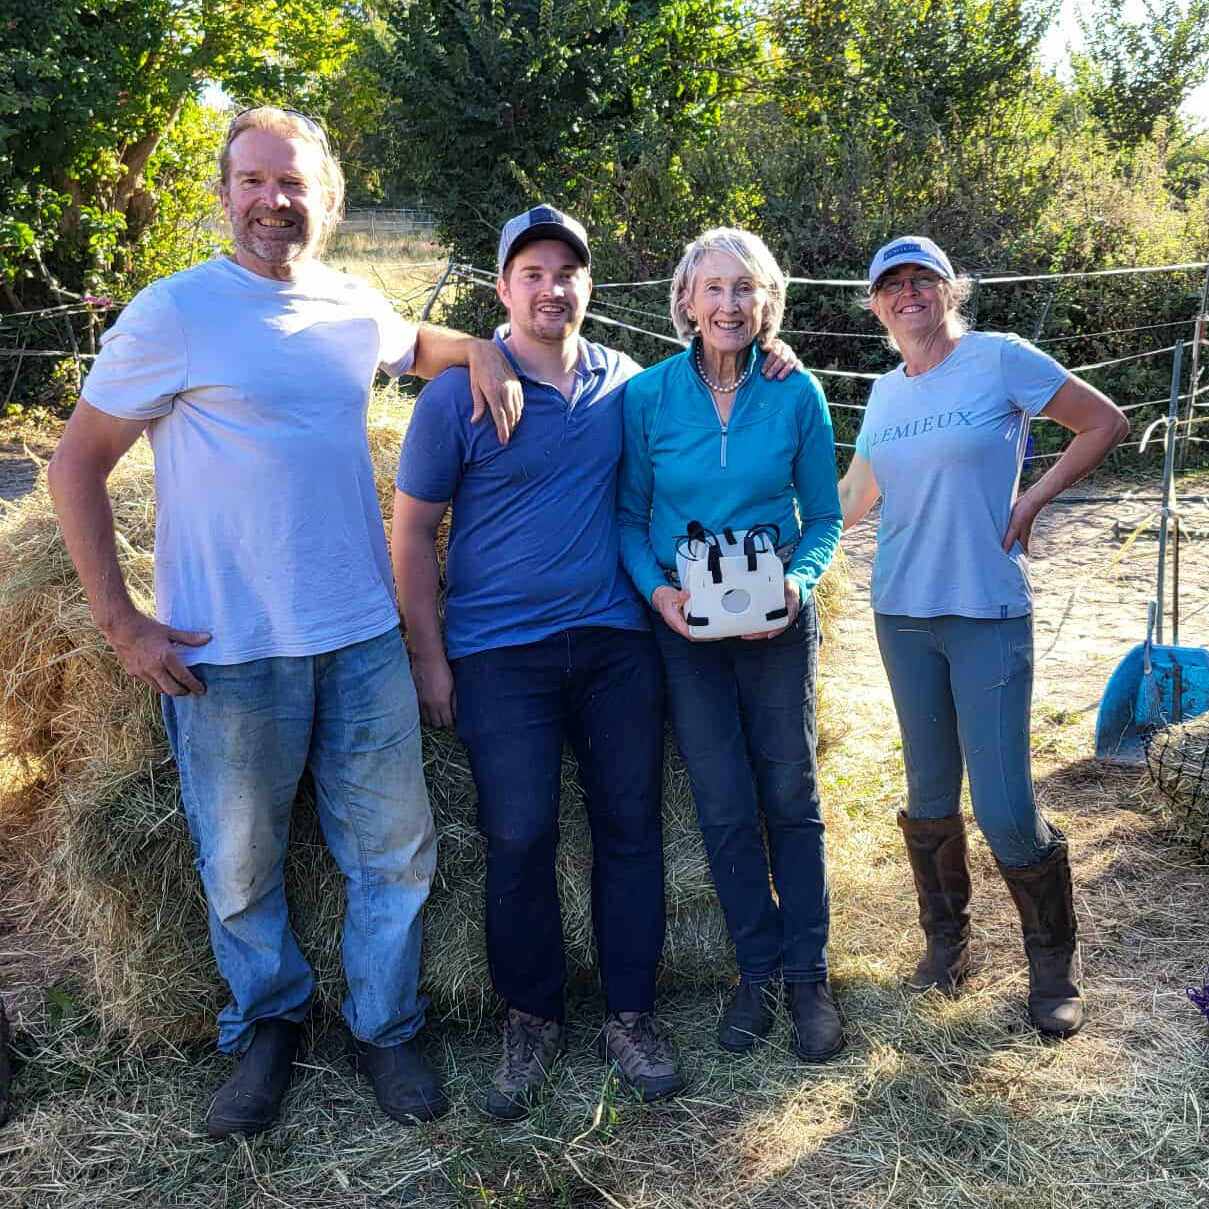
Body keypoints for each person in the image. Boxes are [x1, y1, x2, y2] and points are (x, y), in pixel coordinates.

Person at [47, 106, 525, 1137]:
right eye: (254, 181)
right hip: (230, 649)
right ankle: (266, 1025)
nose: (275, 201)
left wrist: (481, 350)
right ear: (223, 196)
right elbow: (75, 466)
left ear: (328, 199)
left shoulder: (350, 302)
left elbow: (418, 345)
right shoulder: (174, 314)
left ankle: (386, 1028)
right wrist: (124, 624)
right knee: (238, 863)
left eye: (295, 183)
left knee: (395, 852)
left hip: (359, 637)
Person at [392, 205, 803, 1119]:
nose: (551, 288)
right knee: (520, 833)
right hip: (500, 652)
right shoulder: (454, 396)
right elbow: (414, 532)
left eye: (566, 272)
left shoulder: (627, 384)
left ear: (589, 285)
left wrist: (776, 358)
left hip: (618, 643)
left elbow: (715, 388)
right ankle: (530, 1016)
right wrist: (429, 657)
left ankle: (631, 1013)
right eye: (531, 272)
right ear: (502, 289)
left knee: (629, 830)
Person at [838, 235, 1128, 1038]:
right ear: (874, 305)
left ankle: (1051, 965)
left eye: (921, 280)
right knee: (928, 797)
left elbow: (1103, 422)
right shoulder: (882, 391)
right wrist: (786, 545)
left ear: (948, 290)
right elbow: (855, 494)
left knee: (1004, 807)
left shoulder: (999, 358)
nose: (907, 294)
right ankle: (947, 948)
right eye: (890, 285)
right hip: (899, 612)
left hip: (986, 612)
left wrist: (1033, 498)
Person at [617, 228, 845, 1063]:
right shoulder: (647, 398)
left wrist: (799, 582)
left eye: (743, 289)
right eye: (711, 289)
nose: (727, 304)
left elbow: (822, 516)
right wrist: (659, 593)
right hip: (689, 631)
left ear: (766, 302)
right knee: (721, 802)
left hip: (776, 624)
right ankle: (755, 972)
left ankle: (808, 976)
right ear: (684, 301)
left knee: (791, 794)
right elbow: (629, 517)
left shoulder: (797, 393)